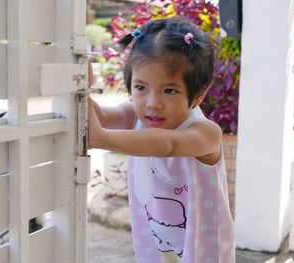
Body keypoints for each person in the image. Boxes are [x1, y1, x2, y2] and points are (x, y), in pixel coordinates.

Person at [88, 16, 235, 263]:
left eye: (169, 90)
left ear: (198, 95)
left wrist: (101, 140)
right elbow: (100, 116)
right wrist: (82, 88)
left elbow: (167, 144)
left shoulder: (205, 133)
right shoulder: (133, 115)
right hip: (156, 249)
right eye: (141, 88)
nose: (152, 103)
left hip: (204, 252)